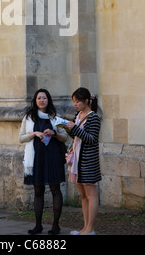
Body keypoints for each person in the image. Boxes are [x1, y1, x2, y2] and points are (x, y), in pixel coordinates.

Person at [19, 88, 68, 235]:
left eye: (44, 98)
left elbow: (65, 137)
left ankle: (55, 226)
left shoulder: (55, 117)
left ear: (48, 100)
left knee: (55, 189)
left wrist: (54, 133)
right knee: (38, 190)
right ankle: (38, 225)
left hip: (52, 157)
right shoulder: (28, 117)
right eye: (39, 98)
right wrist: (33, 134)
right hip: (36, 158)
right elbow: (20, 138)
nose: (42, 100)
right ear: (35, 100)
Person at [65, 87, 101, 236]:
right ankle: (85, 227)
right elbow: (76, 137)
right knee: (83, 196)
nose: (76, 104)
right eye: (74, 101)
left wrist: (75, 129)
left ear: (86, 101)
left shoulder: (93, 117)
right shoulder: (78, 115)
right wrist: (67, 128)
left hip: (88, 161)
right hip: (77, 161)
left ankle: (91, 229)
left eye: (78, 101)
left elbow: (92, 139)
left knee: (91, 195)